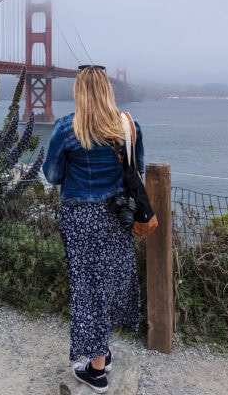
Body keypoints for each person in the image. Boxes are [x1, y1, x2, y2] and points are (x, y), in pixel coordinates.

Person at [42, 65, 144, 393]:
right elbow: (137, 169)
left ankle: (97, 371)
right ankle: (103, 353)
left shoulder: (66, 130)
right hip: (118, 217)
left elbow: (52, 175)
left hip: (81, 219)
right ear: (107, 91)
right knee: (110, 282)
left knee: (88, 288)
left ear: (79, 93)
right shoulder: (129, 126)